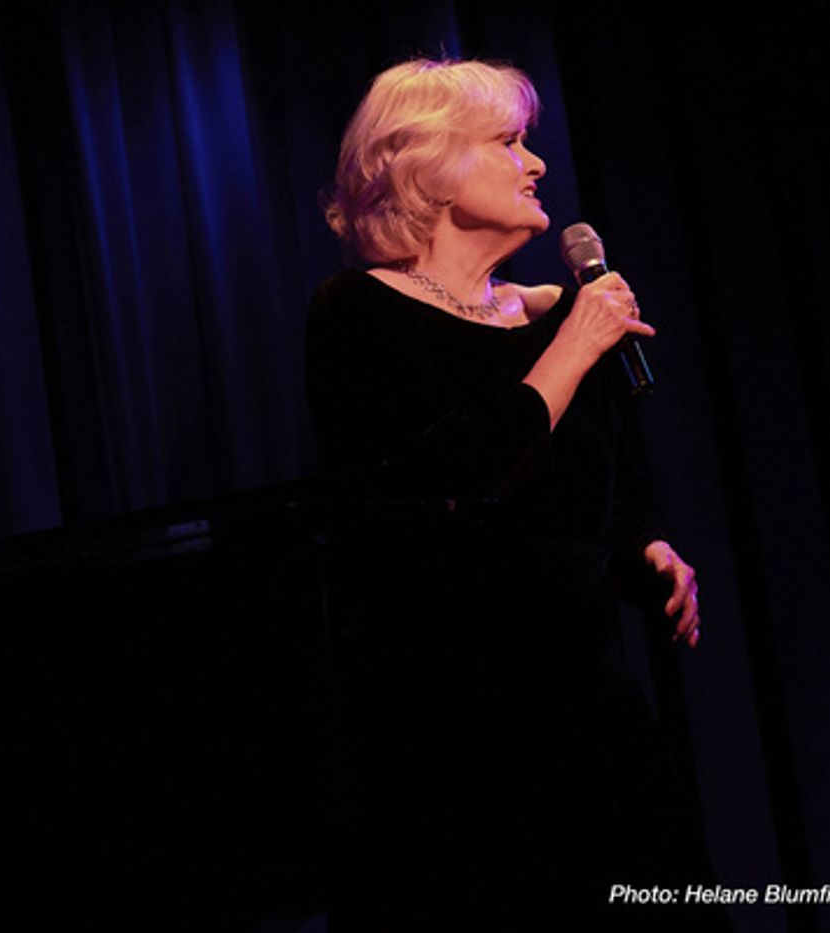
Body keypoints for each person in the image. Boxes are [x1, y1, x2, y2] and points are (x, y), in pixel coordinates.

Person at [306, 58, 724, 930]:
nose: (536, 163)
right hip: (465, 734)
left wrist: (645, 543)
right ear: (426, 166)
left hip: (596, 713)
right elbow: (452, 480)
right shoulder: (359, 313)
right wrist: (574, 345)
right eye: (508, 142)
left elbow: (604, 486)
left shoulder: (546, 315)